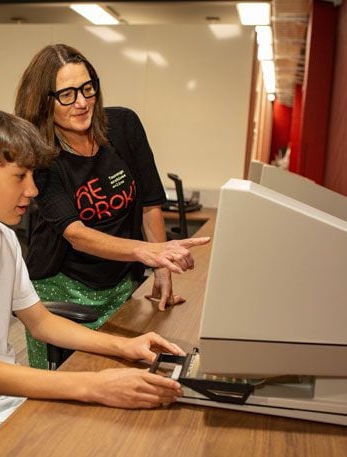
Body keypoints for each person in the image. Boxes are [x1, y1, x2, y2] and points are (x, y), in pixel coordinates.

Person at [0, 107, 185, 428]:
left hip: (4, 396)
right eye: (19, 176)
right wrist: (94, 385)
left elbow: (41, 323)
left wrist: (125, 345)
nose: (33, 190)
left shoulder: (2, 238)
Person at [15, 44, 210, 369]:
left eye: (87, 88)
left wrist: (161, 266)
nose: (82, 102)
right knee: (63, 395)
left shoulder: (123, 126)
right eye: (67, 94)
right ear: (44, 101)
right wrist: (146, 252)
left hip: (121, 286)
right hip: (62, 292)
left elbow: (149, 204)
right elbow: (76, 234)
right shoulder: (41, 155)